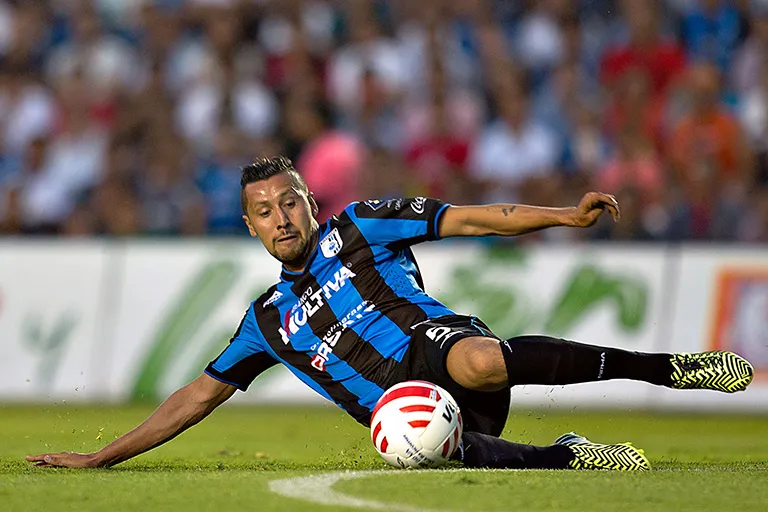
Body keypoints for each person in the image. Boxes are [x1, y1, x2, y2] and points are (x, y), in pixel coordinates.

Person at [27, 156, 754, 471]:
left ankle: (667, 369)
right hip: (408, 416)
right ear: (249, 227)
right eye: (263, 211)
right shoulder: (267, 321)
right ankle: (570, 455)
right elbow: (194, 397)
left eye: (289, 202)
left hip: (440, 351)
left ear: (310, 202)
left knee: (478, 358)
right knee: (417, 445)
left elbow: (473, 218)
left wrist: (564, 215)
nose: (280, 218)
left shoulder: (362, 224)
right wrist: (101, 456)